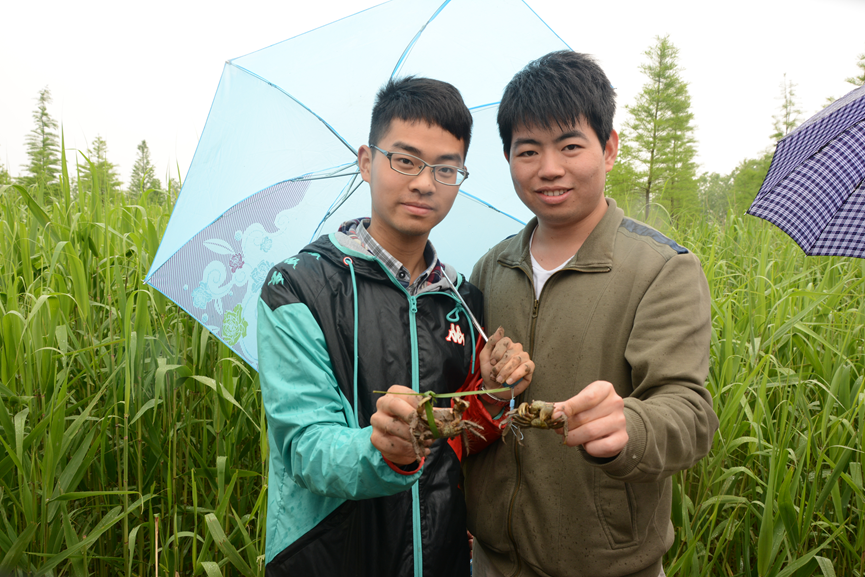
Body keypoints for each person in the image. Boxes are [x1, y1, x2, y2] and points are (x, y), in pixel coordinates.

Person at [257, 76, 534, 577]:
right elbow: (304, 445)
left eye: (446, 169)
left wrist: (492, 394)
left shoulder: (462, 299)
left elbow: (458, 441)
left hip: (444, 557)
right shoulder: (297, 286)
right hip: (327, 558)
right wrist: (383, 449)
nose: (425, 183)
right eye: (405, 161)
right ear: (367, 162)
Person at [464, 51, 719, 577]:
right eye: (528, 150)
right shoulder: (492, 268)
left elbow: (690, 414)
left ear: (609, 149)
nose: (549, 168)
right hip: (492, 560)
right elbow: (473, 399)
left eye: (570, 146)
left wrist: (632, 426)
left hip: (607, 563)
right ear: (508, 158)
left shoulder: (660, 269)